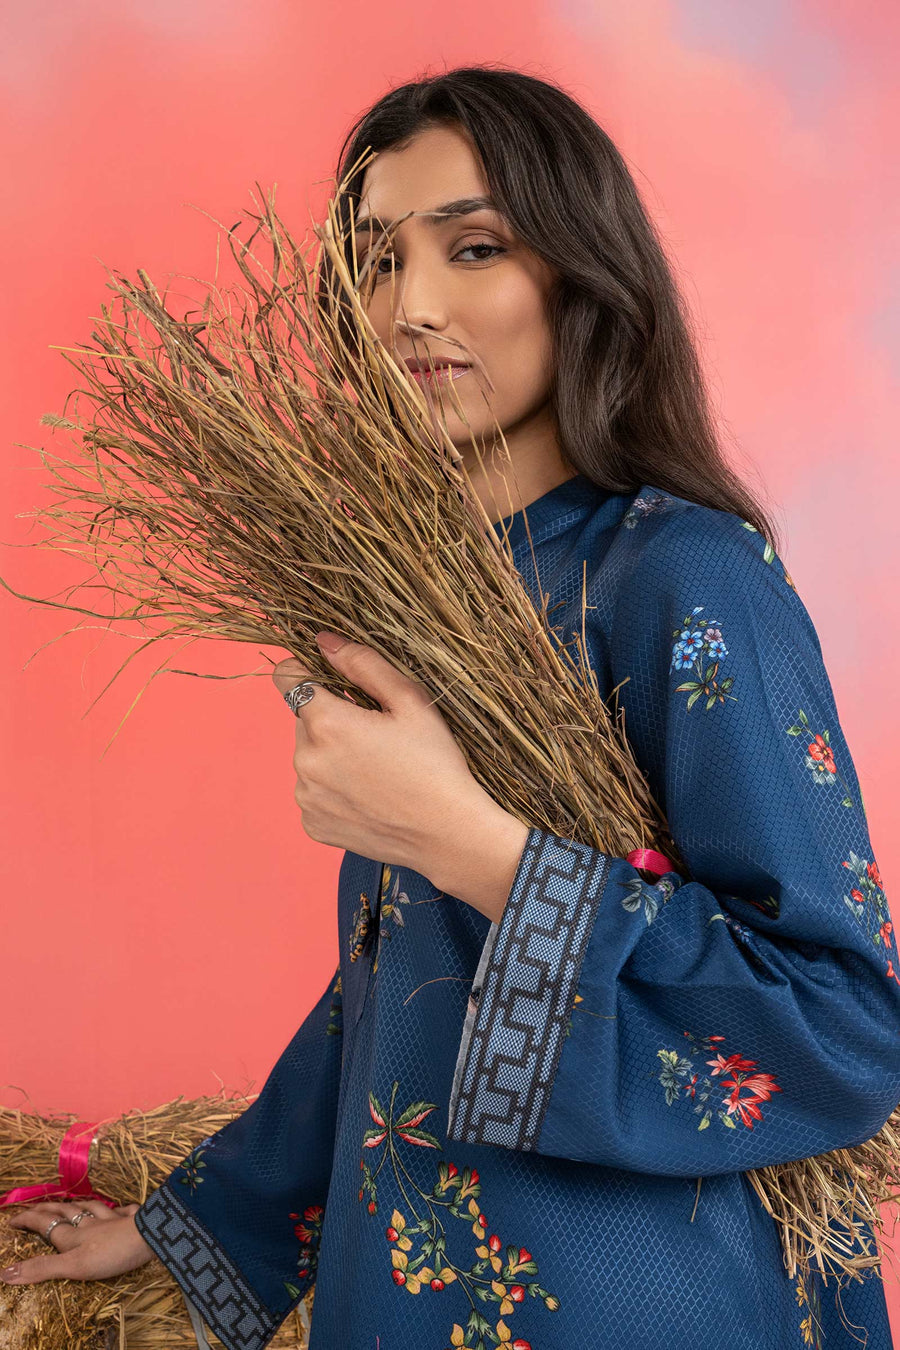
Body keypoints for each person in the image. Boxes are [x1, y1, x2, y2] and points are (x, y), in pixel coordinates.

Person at [4, 66, 900, 1350]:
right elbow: (406, 977)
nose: (412, 308)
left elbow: (840, 1024)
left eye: (474, 249)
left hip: (636, 1299)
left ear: (582, 275)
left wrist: (469, 843)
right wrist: (195, 1225)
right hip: (403, 1298)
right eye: (372, 265)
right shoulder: (415, 597)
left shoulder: (681, 575)